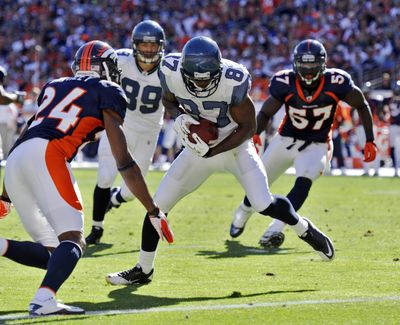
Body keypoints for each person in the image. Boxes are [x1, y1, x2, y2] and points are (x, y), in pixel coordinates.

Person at [105, 36, 335, 286]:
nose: (201, 83)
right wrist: (180, 118)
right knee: (157, 208)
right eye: (196, 77)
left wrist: (214, 150)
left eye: (207, 78)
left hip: (235, 147)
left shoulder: (232, 80)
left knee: (262, 203)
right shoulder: (170, 71)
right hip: (197, 151)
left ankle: (304, 228)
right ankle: (143, 269)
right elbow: (169, 100)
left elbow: (249, 127)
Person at [0, 40, 172, 316]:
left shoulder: (54, 85)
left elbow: (26, 134)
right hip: (49, 154)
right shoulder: (108, 90)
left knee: (55, 254)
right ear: (106, 68)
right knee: (73, 240)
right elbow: (125, 162)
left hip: (17, 158)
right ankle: (44, 300)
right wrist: (152, 209)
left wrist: (5, 194)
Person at [230, 39, 377, 248]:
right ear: (295, 64)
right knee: (260, 181)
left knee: (303, 182)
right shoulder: (284, 82)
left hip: (317, 144)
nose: (308, 71)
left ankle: (276, 227)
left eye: (313, 65)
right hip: (285, 140)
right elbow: (265, 112)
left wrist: (370, 140)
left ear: (323, 64)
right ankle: (243, 212)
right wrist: (255, 133)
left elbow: (362, 104)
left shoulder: (336, 82)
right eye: (304, 65)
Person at [85, 20, 166, 245]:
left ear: (161, 46)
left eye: (153, 45)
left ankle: (116, 199)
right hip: (119, 123)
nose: (149, 50)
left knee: (132, 190)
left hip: (148, 130)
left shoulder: (169, 68)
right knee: (105, 176)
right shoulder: (119, 60)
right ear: (134, 45)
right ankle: (97, 227)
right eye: (144, 44)